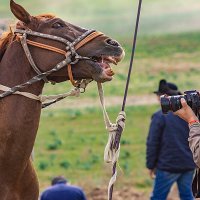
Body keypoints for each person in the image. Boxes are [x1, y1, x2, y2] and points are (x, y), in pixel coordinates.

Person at [146, 79, 196, 200]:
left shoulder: (159, 116)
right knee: (187, 196)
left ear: (166, 97)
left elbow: (153, 143)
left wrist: (150, 165)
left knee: (158, 197)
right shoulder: (190, 114)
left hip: (167, 166)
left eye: (159, 96)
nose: (158, 99)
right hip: (189, 164)